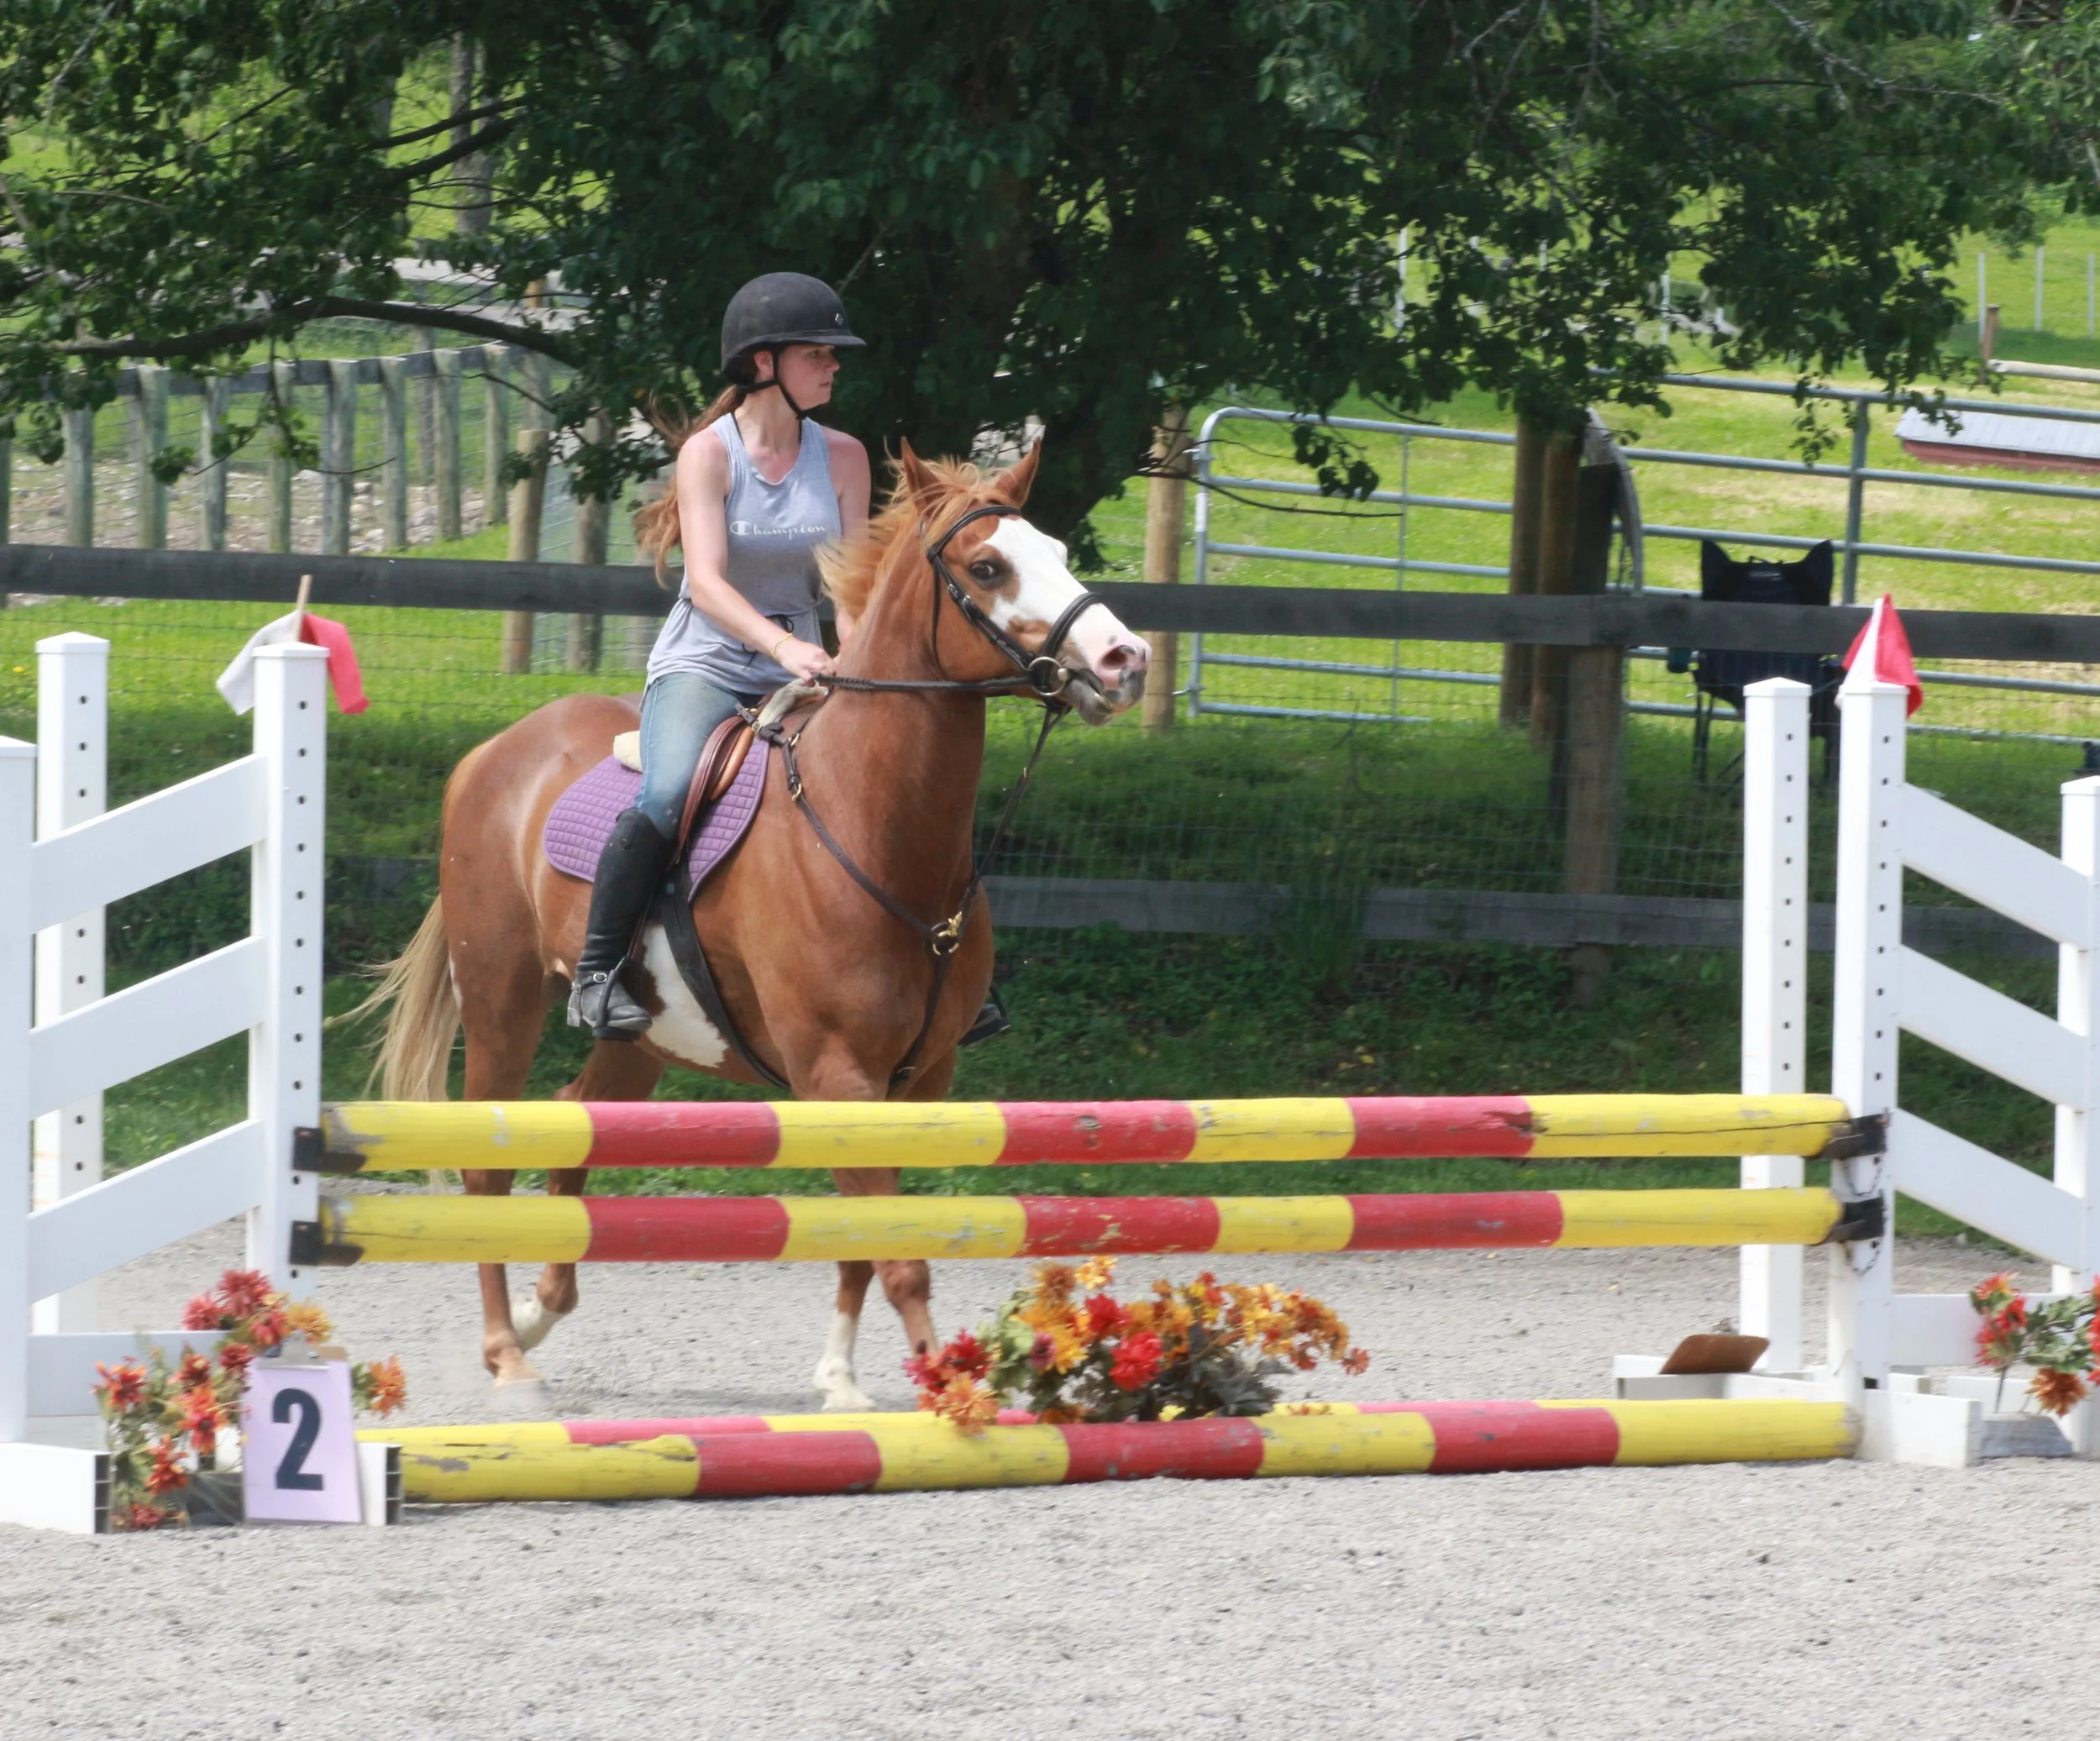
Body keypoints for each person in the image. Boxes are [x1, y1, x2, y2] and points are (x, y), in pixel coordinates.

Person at [569, 271, 871, 1039]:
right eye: (817, 353)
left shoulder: (844, 457)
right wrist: (785, 644)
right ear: (764, 363)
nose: (834, 364)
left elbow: (852, 589)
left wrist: (859, 655)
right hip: (707, 663)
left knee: (888, 773)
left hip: (804, 665)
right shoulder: (709, 454)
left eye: (833, 353)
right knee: (668, 792)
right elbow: (704, 583)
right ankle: (597, 973)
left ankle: (947, 971)